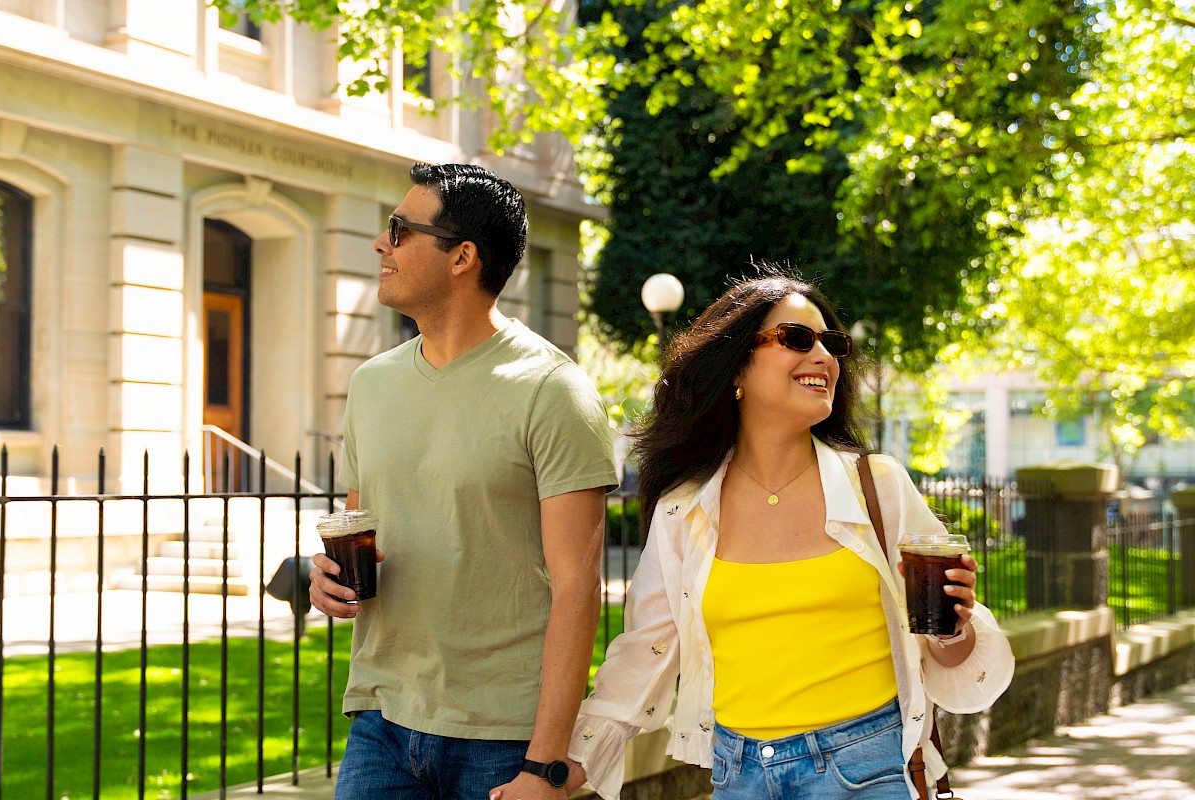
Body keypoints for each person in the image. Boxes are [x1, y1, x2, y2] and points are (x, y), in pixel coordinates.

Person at [561, 270, 1015, 800]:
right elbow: (645, 652)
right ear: (736, 366)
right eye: (797, 338)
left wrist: (952, 628)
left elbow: (951, 655)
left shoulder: (878, 487)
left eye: (833, 343)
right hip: (738, 775)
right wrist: (569, 765)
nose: (824, 356)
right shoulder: (684, 510)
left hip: (865, 770)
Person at [309, 162, 619, 800]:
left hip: (503, 736)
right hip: (383, 720)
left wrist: (544, 764)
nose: (380, 245)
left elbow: (577, 589)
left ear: (462, 258)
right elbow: (360, 527)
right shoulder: (371, 384)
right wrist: (329, 577)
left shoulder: (552, 391)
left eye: (398, 230)